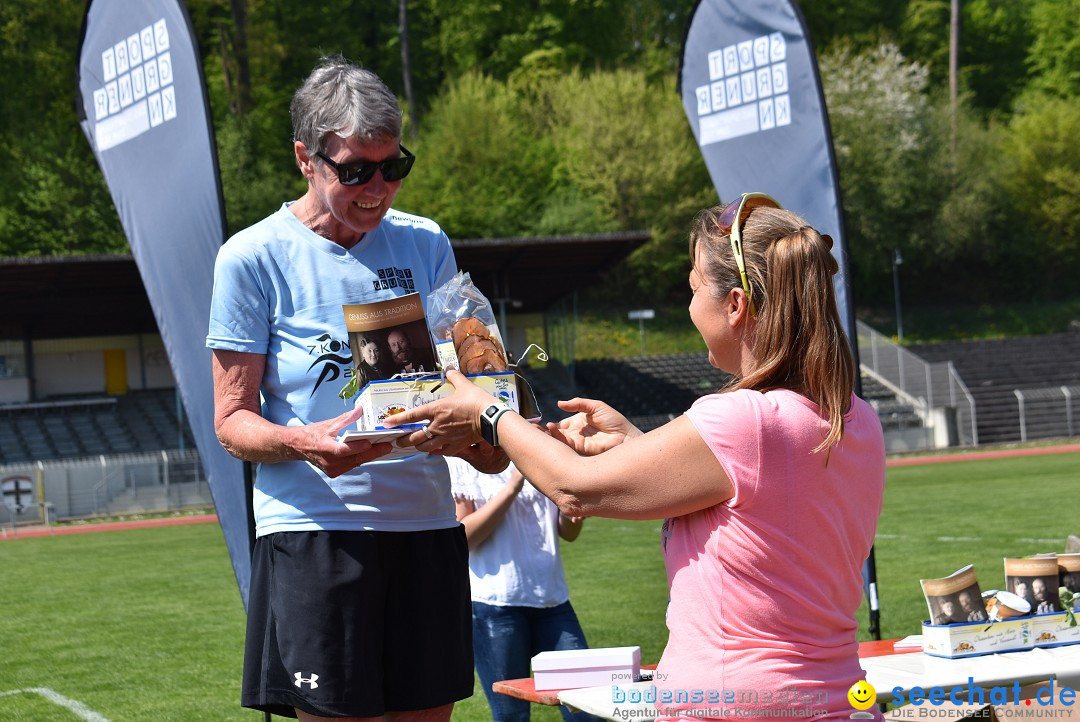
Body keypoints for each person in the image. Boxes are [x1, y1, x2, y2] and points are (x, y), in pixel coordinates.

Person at [386, 194, 887, 721]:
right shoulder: (854, 417)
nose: (689, 306)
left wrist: (488, 412)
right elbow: (752, 502)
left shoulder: (743, 420)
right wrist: (633, 441)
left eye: (693, 289)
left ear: (735, 305)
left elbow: (575, 487)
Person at [207, 56, 502, 721]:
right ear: (304, 159)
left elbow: (470, 366)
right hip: (317, 530)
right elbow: (231, 421)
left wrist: (485, 418)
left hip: (426, 526)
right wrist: (301, 441)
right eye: (355, 171)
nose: (378, 188)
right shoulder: (252, 257)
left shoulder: (425, 242)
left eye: (393, 167)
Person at [445, 457, 600, 722]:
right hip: (495, 607)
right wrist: (512, 486)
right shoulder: (462, 462)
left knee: (586, 709)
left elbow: (568, 533)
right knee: (512, 715)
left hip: (553, 602)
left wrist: (571, 516)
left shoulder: (539, 456)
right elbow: (465, 538)